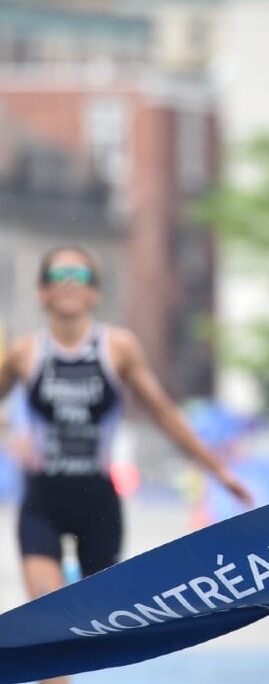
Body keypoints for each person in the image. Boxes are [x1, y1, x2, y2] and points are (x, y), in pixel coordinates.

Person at [0, 246, 252, 684]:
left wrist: (216, 469)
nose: (69, 281)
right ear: (42, 291)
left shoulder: (117, 348)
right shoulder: (24, 354)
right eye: (58, 274)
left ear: (95, 292)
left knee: (92, 629)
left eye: (80, 273)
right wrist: (8, 434)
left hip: (98, 503)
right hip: (41, 500)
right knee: (47, 626)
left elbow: (165, 414)